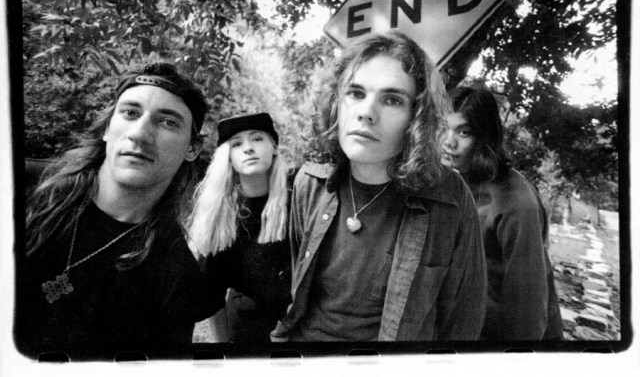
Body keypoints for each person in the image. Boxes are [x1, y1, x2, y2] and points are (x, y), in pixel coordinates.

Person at [270, 31, 487, 342]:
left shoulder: (450, 198)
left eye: (392, 100)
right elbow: (296, 285)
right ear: (336, 101)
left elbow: (462, 320)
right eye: (355, 93)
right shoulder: (311, 181)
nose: (366, 112)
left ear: (417, 119)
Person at [15, 62, 210, 359]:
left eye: (168, 122)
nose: (140, 134)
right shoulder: (21, 187)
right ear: (108, 127)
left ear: (192, 149)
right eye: (130, 113)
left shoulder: (176, 274)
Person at [440, 86, 563, 340]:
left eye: (463, 132)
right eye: (443, 128)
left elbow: (528, 306)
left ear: (484, 137)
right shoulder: (451, 182)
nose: (448, 141)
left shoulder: (516, 201)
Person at [187, 113, 293, 342]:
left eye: (257, 139)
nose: (248, 148)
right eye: (237, 144)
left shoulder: (300, 198)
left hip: (305, 330)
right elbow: (211, 297)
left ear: (274, 148)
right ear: (228, 158)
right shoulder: (223, 218)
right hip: (249, 334)